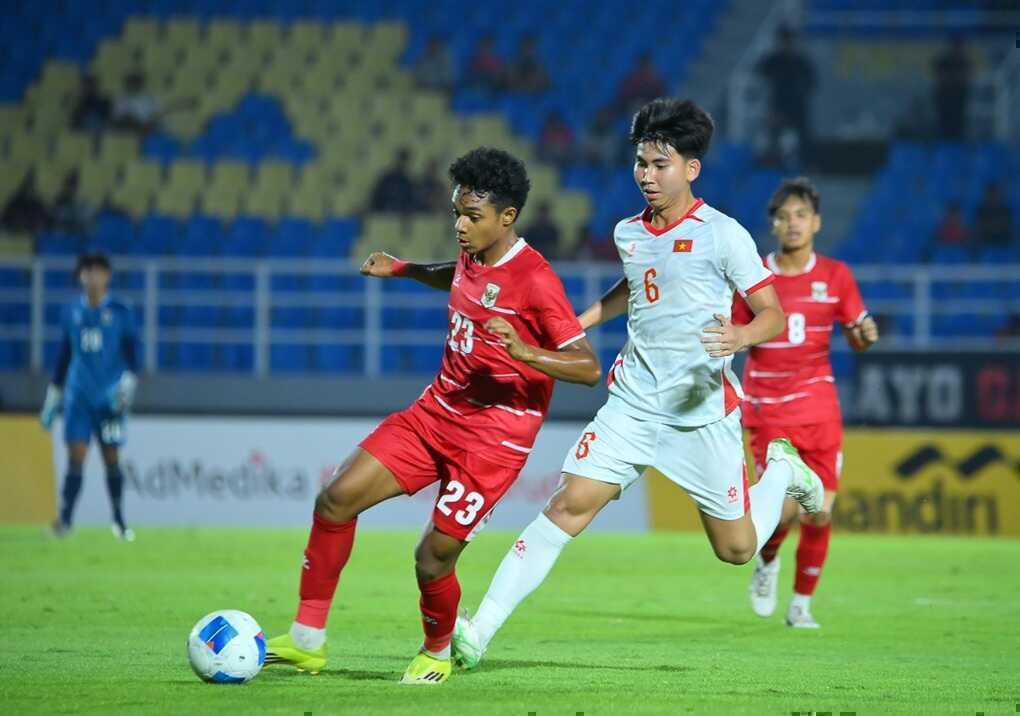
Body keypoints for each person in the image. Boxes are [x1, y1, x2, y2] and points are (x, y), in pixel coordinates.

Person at [452, 98, 825, 669]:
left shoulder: (723, 234)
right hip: (632, 405)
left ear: (691, 169)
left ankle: (782, 473)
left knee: (737, 549)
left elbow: (771, 312)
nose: (646, 176)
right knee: (566, 506)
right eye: (641, 163)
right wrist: (579, 322)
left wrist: (741, 336)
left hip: (700, 415)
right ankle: (478, 632)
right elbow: (637, 283)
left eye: (660, 165)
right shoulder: (629, 231)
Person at [264, 147, 601, 685]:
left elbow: (587, 367)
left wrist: (524, 351)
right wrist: (404, 269)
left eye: (472, 216)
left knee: (432, 557)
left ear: (507, 217)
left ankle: (437, 652)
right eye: (456, 213)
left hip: (492, 441)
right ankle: (307, 640)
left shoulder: (536, 280)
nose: (459, 226)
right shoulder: (473, 253)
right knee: (335, 499)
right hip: (435, 413)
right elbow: (458, 278)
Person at [734, 178, 879, 629]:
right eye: (784, 217)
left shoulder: (836, 276)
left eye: (801, 215)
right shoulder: (754, 275)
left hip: (818, 409)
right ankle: (768, 562)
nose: (793, 223)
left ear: (816, 222)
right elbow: (734, 336)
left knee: (819, 511)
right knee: (781, 511)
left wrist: (866, 335)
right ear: (773, 225)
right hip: (768, 410)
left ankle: (800, 606)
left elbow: (858, 338)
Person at [40, 252, 140, 541]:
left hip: (109, 400)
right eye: (88, 271)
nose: (93, 277)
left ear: (107, 276)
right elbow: (64, 356)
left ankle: (119, 520)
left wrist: (128, 383)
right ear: (80, 276)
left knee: (111, 457)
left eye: (98, 271)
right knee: (76, 455)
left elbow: (133, 355)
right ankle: (65, 520)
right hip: (79, 398)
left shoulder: (121, 311)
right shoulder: (71, 312)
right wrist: (53, 396)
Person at [755, 26, 818, 165]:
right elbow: (759, 70)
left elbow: (813, 83)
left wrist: (802, 91)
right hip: (778, 105)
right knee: (774, 137)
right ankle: (775, 165)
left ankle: (806, 165)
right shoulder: (774, 60)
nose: (787, 44)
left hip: (798, 106)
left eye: (790, 41)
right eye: (784, 41)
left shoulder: (801, 61)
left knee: (804, 138)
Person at [931, 36, 972, 141]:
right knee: (943, 123)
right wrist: (952, 79)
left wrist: (954, 79)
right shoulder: (943, 61)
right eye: (956, 47)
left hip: (959, 98)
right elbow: (939, 76)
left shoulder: (964, 62)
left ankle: (957, 142)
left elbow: (966, 77)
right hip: (944, 98)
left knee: (958, 122)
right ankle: (944, 142)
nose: (957, 49)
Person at [368, 147, 417, 214]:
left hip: (399, 214)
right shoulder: (386, 179)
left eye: (404, 161)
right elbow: (376, 198)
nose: (402, 164)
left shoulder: (408, 181)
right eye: (401, 160)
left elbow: (411, 202)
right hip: (384, 214)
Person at [974, 183, 1014, 249]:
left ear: (1000, 195)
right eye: (991, 194)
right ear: (987, 195)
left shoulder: (1006, 210)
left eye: (995, 194)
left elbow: (1007, 226)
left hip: (1003, 240)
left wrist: (993, 226)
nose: (993, 197)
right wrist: (995, 225)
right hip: (985, 239)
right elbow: (979, 227)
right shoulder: (981, 210)